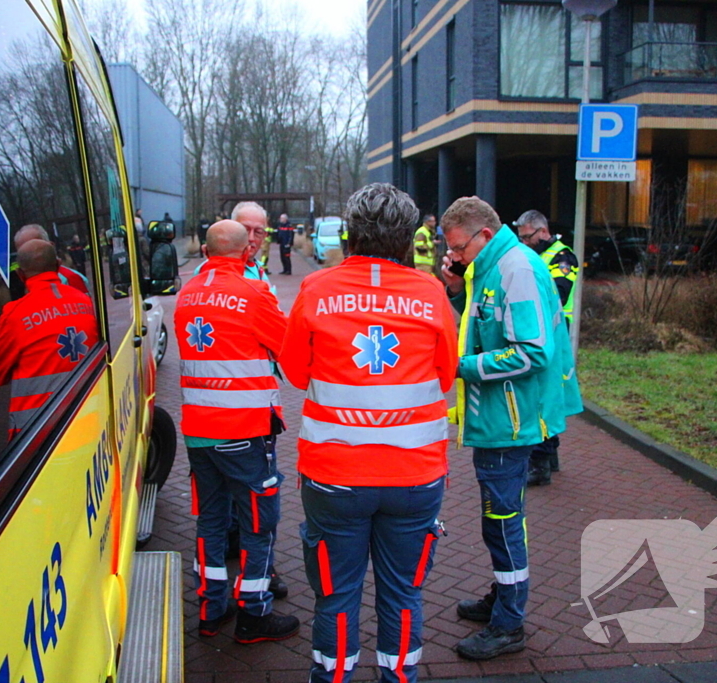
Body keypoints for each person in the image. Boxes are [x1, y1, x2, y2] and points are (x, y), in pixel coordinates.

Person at [279, 183, 458, 683]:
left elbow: (294, 371)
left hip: (334, 475)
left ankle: (332, 676)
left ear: (351, 233)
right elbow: (446, 375)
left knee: (336, 595)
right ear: (407, 237)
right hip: (414, 476)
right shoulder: (431, 292)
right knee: (403, 593)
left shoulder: (317, 288)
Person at [438, 196, 573, 661]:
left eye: (459, 248)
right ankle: (502, 598)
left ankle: (509, 622)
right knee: (498, 519)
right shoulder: (493, 266)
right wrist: (458, 289)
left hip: (510, 421)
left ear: (485, 235)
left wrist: (459, 367)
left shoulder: (516, 269)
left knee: (502, 522)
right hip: (499, 417)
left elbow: (532, 352)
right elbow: (483, 326)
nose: (455, 256)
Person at [174, 220, 300, 644]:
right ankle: (253, 612)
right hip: (244, 430)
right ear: (247, 252)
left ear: (205, 251)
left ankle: (211, 609)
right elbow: (287, 346)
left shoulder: (187, 293)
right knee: (258, 524)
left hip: (198, 432)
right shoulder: (253, 291)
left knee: (211, 520)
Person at [0, 239, 99, 439]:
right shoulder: (84, 300)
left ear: (20, 275)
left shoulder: (15, 315)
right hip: (88, 414)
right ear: (58, 265)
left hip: (37, 431)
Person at [514, 210, 579, 486]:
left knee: (542, 395)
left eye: (528, 236)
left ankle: (540, 464)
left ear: (543, 231)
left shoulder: (562, 257)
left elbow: (559, 293)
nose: (524, 242)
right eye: (521, 238)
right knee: (545, 394)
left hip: (554, 333)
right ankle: (549, 456)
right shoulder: (536, 256)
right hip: (542, 330)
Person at [14, 224, 90, 296]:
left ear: (51, 246)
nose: (29, 255)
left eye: (35, 248)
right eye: (23, 252)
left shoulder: (71, 278)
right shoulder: (16, 284)